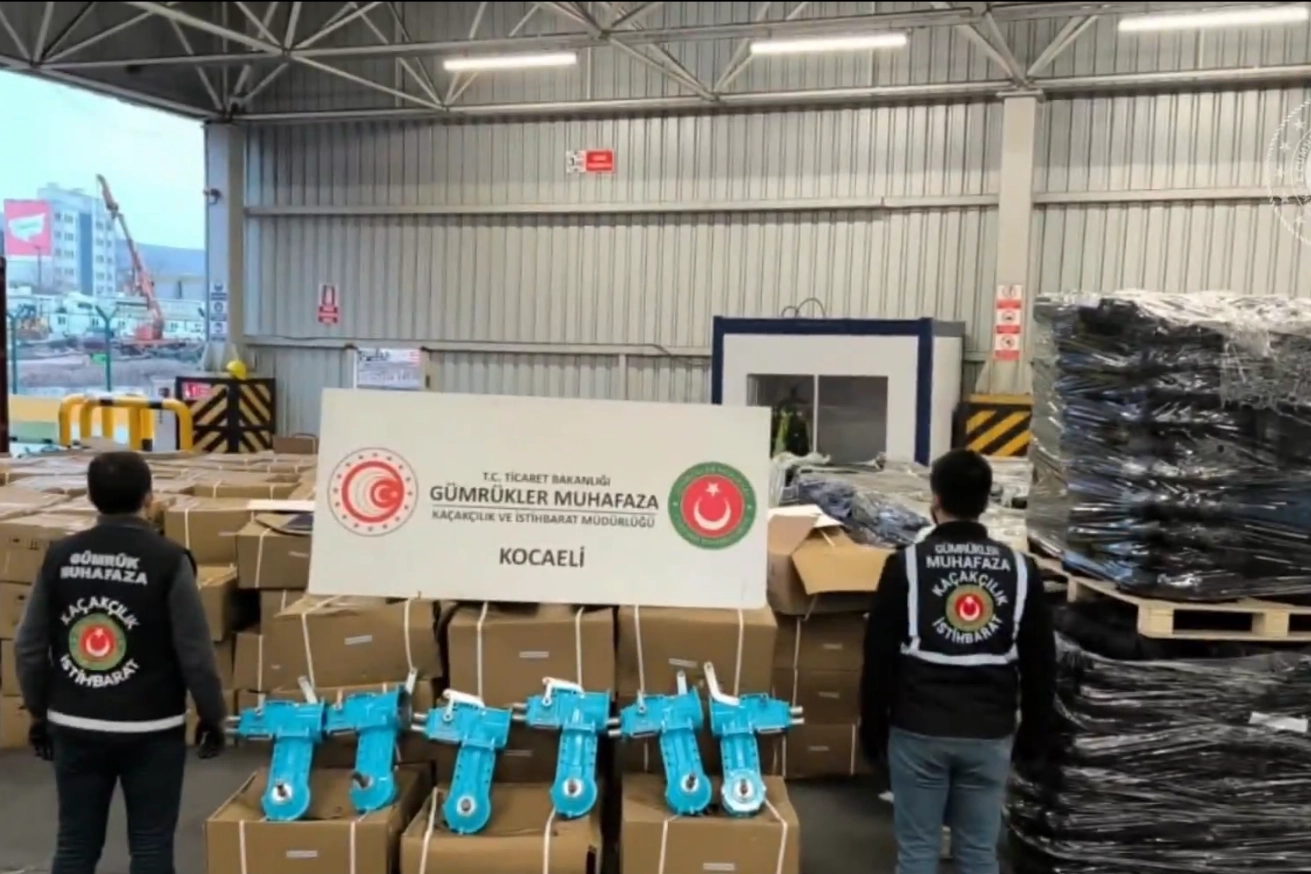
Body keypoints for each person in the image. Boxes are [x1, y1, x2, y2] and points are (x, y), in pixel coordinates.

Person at [14, 450, 229, 874]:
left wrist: (39, 712)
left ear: (90, 496)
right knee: (150, 846)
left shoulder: (61, 556)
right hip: (152, 728)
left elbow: (28, 646)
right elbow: (195, 652)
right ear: (149, 497)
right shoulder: (169, 560)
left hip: (75, 722)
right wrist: (212, 715)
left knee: (75, 845)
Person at [859, 448, 1056, 874]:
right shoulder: (1022, 570)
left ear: (935, 499)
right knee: (979, 853)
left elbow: (878, 657)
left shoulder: (906, 565)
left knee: (917, 851)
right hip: (989, 733)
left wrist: (872, 732)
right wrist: (1034, 737)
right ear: (985, 501)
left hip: (918, 729)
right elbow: (1041, 663)